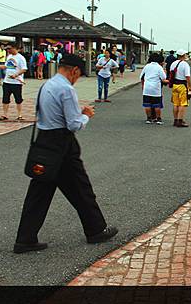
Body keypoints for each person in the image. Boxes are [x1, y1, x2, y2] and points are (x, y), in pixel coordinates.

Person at [13, 54, 117, 254]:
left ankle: (25, 238)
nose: (77, 79)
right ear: (74, 71)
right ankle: (95, 230)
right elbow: (73, 124)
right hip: (62, 144)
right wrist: (85, 115)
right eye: (78, 75)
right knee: (81, 188)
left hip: (44, 142)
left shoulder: (47, 85)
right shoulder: (66, 89)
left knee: (39, 192)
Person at [0, 45, 27, 120]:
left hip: (17, 82)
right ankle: (5, 115)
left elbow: (24, 69)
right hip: (7, 81)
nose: (8, 50)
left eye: (10, 48)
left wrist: (16, 75)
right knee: (5, 98)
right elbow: (5, 66)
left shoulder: (21, 58)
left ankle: (19, 115)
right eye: (7, 49)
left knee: (18, 99)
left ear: (15, 48)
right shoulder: (9, 56)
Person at [140, 53, 168, 124]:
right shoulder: (159, 67)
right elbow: (163, 78)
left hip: (147, 88)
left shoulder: (147, 66)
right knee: (157, 105)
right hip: (155, 88)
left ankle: (149, 119)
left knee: (147, 104)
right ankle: (158, 119)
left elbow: (141, 76)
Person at [169, 50, 191, 127]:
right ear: (183, 55)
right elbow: (187, 77)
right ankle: (180, 120)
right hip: (182, 85)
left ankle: (175, 120)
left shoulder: (173, 64)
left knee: (175, 103)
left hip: (175, 85)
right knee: (183, 104)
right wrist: (190, 86)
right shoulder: (185, 64)